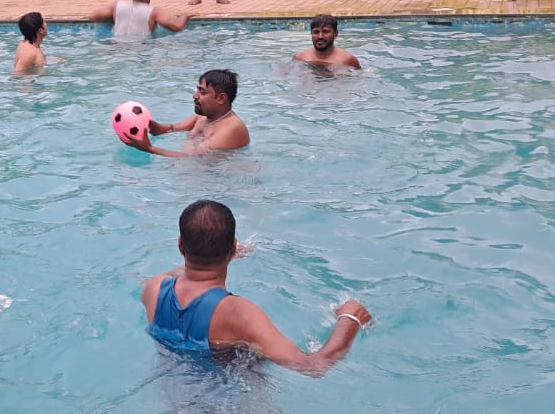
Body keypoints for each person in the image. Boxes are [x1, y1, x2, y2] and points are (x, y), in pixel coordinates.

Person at [141, 199, 372, 376]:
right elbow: (312, 366)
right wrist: (350, 318)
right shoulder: (239, 313)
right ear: (233, 246)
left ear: (180, 244)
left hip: (174, 393)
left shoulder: (153, 289)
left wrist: (218, 254)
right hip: (229, 406)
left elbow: (176, 276)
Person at [120, 69, 250, 157]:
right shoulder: (203, 116)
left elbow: (195, 161)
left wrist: (149, 149)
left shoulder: (232, 129)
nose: (195, 96)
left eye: (202, 92)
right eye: (197, 90)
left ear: (221, 99)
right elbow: (173, 128)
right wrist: (153, 127)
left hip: (211, 180)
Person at [88, 0, 189, 38]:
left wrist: (113, 17)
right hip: (139, 50)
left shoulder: (117, 5)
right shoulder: (153, 11)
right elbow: (177, 26)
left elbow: (93, 16)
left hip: (117, 46)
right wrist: (184, 16)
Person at [294, 14, 362, 69]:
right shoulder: (300, 58)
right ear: (311, 33)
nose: (320, 36)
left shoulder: (347, 60)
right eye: (316, 32)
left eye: (325, 31)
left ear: (335, 34)